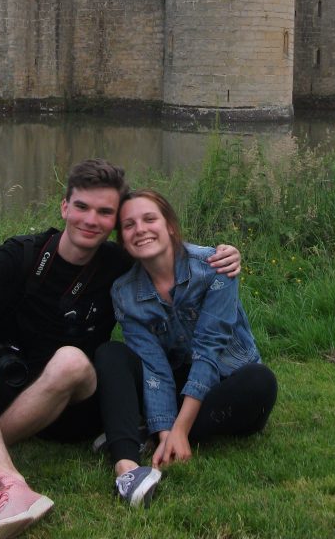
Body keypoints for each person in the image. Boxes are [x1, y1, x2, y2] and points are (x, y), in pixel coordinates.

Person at [0, 160, 240, 539]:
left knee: (71, 360)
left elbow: (165, 245)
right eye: (81, 207)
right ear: (65, 207)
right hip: (7, 390)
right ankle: (9, 480)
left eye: (104, 213)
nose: (90, 220)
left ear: (113, 222)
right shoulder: (21, 254)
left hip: (73, 406)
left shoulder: (117, 263)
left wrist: (222, 254)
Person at [94, 189, 277, 508]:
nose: (141, 229)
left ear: (171, 227)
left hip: (226, 380)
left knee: (261, 382)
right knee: (111, 353)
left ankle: (153, 433)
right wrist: (168, 431)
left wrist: (178, 428)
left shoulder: (214, 265)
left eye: (150, 219)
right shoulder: (124, 293)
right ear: (123, 240)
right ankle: (149, 443)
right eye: (129, 225)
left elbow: (209, 350)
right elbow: (154, 367)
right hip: (176, 382)